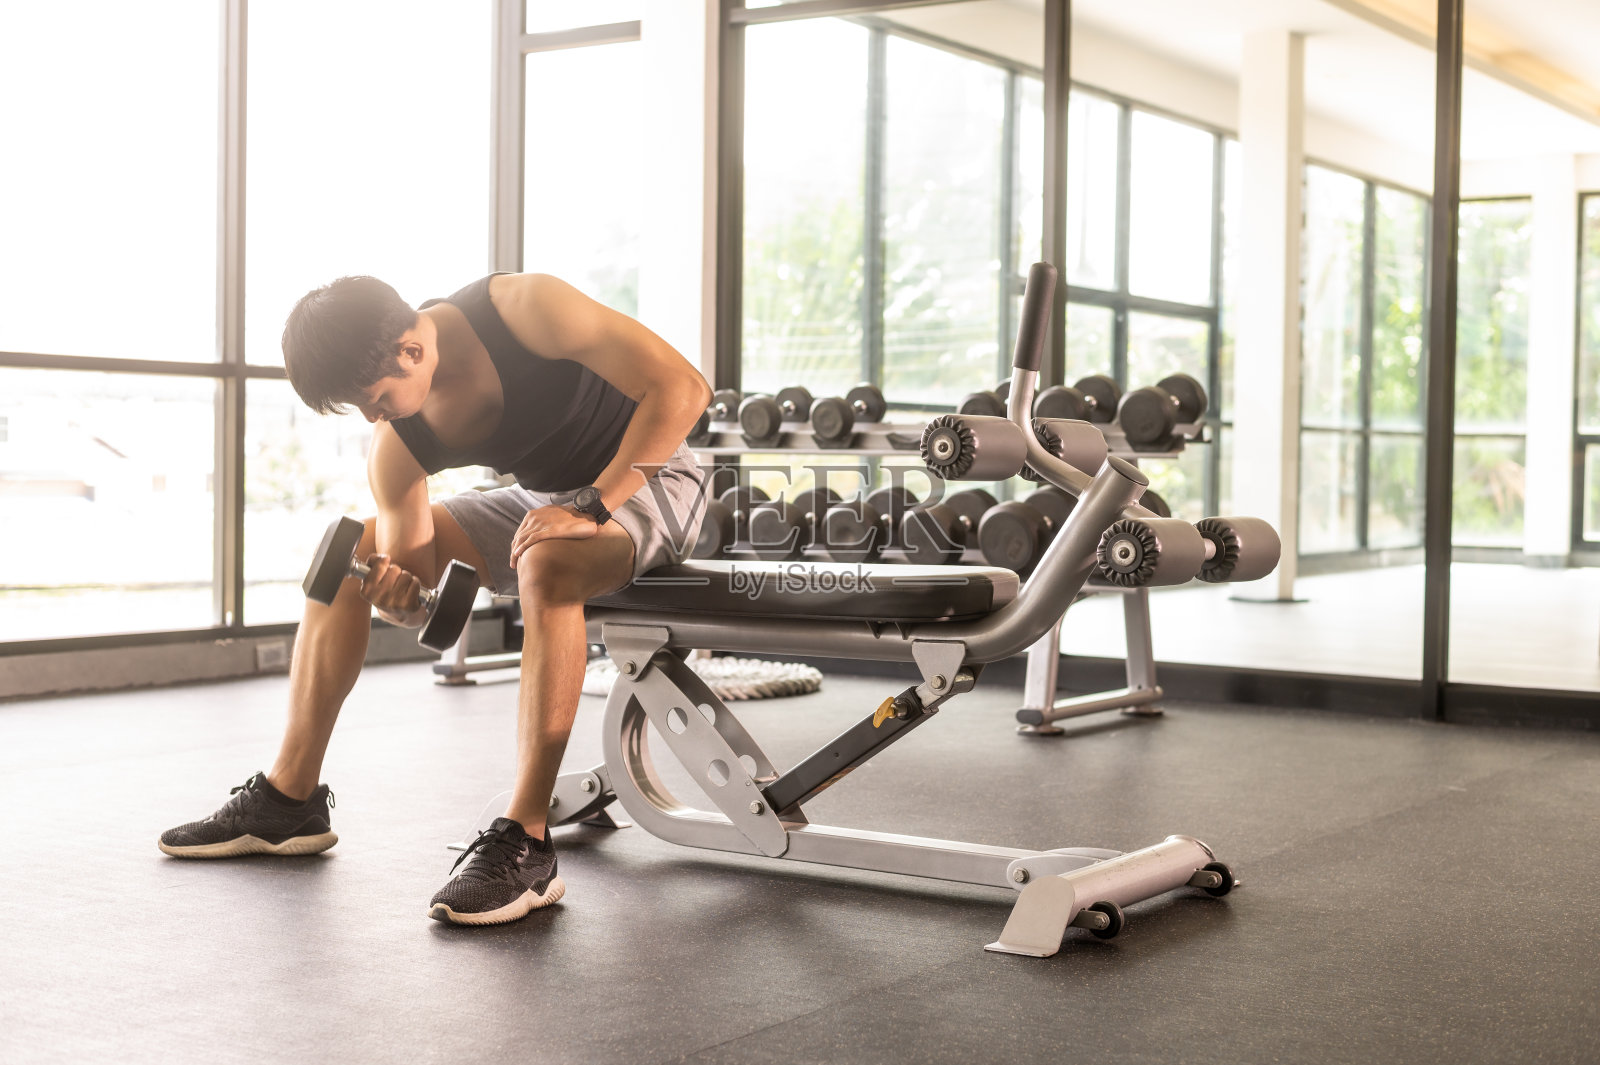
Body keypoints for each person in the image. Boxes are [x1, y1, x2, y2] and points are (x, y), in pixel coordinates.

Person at [157, 272, 711, 926]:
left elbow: (683, 387)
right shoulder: (398, 442)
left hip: (655, 475)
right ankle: (289, 796)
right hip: (550, 501)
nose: (372, 417)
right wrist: (398, 588)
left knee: (546, 560)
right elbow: (418, 601)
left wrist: (592, 506)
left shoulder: (525, 309)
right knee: (353, 551)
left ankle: (527, 841)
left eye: (374, 397)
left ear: (411, 350)